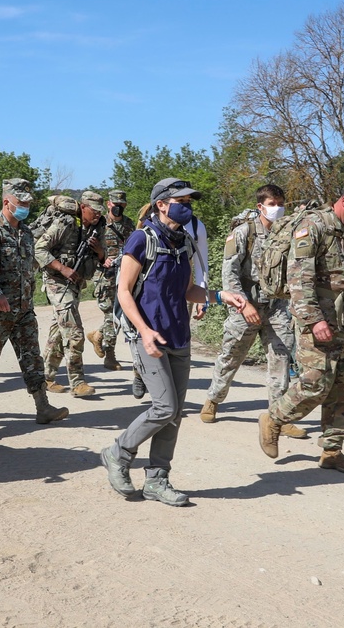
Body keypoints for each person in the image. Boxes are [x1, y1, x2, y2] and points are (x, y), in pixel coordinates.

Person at [101, 178, 246, 507]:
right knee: (164, 407)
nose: (188, 206)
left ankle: (157, 480)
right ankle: (118, 453)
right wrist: (144, 330)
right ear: (161, 204)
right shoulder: (141, 240)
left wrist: (221, 295)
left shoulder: (185, 242)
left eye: (190, 201)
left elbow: (187, 292)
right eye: (182, 200)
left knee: (175, 412)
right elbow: (124, 291)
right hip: (147, 335)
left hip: (178, 334)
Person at [259, 178, 344, 474]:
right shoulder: (313, 226)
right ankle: (274, 418)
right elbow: (299, 279)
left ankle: (332, 451)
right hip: (318, 321)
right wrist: (314, 320)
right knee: (315, 384)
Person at [201, 184, 306, 437]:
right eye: (272, 204)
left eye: (281, 203)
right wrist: (243, 304)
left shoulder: (287, 232)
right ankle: (213, 400)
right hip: (244, 305)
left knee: (281, 360)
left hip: (277, 308)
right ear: (260, 206)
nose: (278, 208)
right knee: (231, 357)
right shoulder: (243, 232)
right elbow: (230, 273)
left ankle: (278, 418)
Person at [0, 178, 69, 424]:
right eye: (21, 202)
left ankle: (42, 406)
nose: (25, 206)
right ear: (6, 202)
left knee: (32, 357)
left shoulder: (26, 232)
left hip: (23, 310)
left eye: (28, 203)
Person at [36, 190, 105, 397]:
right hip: (56, 282)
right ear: (83, 207)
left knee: (58, 332)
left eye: (101, 212)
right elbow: (39, 249)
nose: (98, 215)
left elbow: (104, 258)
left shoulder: (96, 228)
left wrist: (100, 251)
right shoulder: (66, 223)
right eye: (94, 211)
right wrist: (62, 268)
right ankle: (78, 382)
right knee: (74, 332)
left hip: (76, 283)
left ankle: (46, 378)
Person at [87, 189, 135, 371]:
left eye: (121, 205)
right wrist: (101, 255)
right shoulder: (98, 223)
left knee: (120, 314)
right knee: (111, 314)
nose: (118, 208)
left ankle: (98, 334)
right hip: (104, 275)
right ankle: (110, 355)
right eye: (115, 205)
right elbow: (87, 248)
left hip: (124, 274)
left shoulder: (129, 225)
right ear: (108, 204)